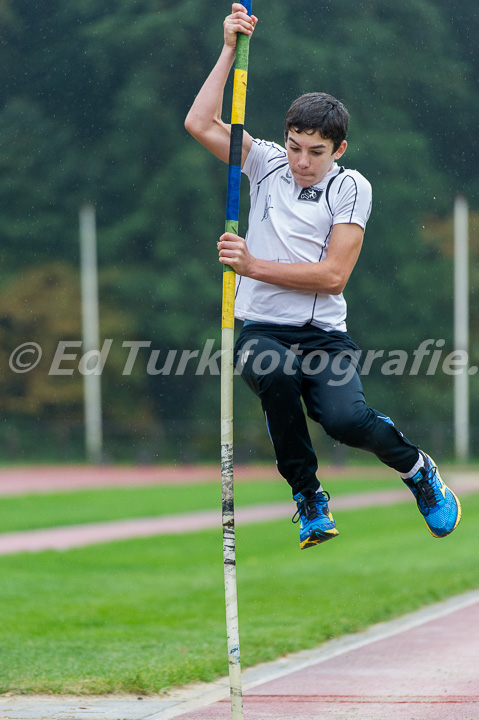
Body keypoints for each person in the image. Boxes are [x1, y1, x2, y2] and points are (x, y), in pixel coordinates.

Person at [185, 4, 462, 549]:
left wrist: (251, 265)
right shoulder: (262, 162)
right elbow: (199, 123)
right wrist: (227, 49)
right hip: (261, 327)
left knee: (346, 421)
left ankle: (418, 471)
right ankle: (309, 497)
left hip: (322, 336)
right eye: (294, 146)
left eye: (315, 152)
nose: (301, 161)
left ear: (338, 150)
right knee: (276, 374)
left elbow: (334, 276)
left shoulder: (350, 187)